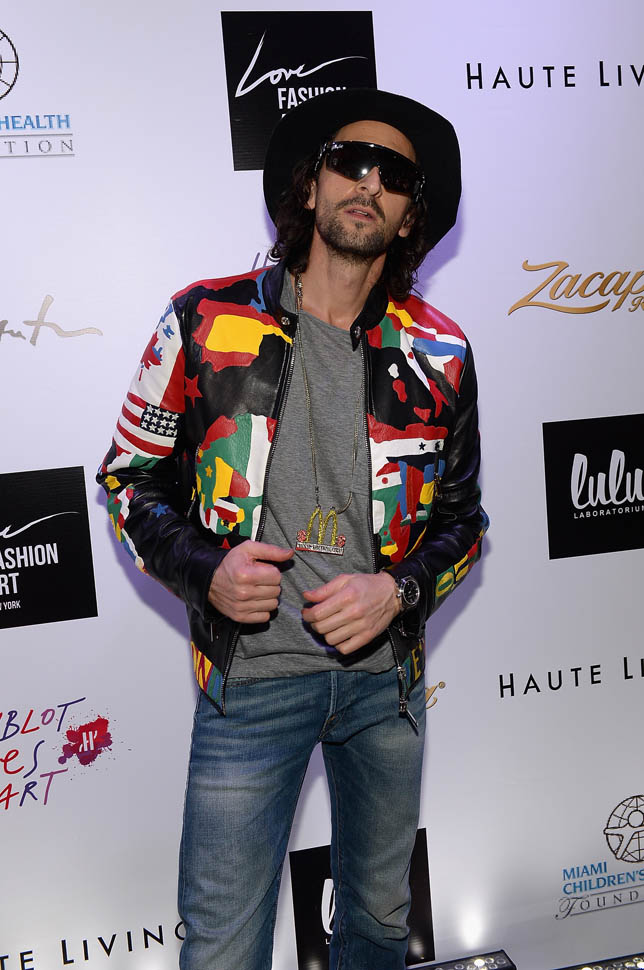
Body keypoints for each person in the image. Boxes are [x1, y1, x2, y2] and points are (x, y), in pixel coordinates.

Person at [97, 88, 488, 970]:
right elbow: (127, 477)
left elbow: (463, 522)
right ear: (310, 186)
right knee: (224, 947)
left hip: (385, 688)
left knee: (378, 928)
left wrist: (399, 591)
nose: (369, 183)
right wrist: (205, 569)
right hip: (254, 682)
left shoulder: (441, 352)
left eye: (395, 176)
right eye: (351, 161)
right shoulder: (205, 321)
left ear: (409, 216)